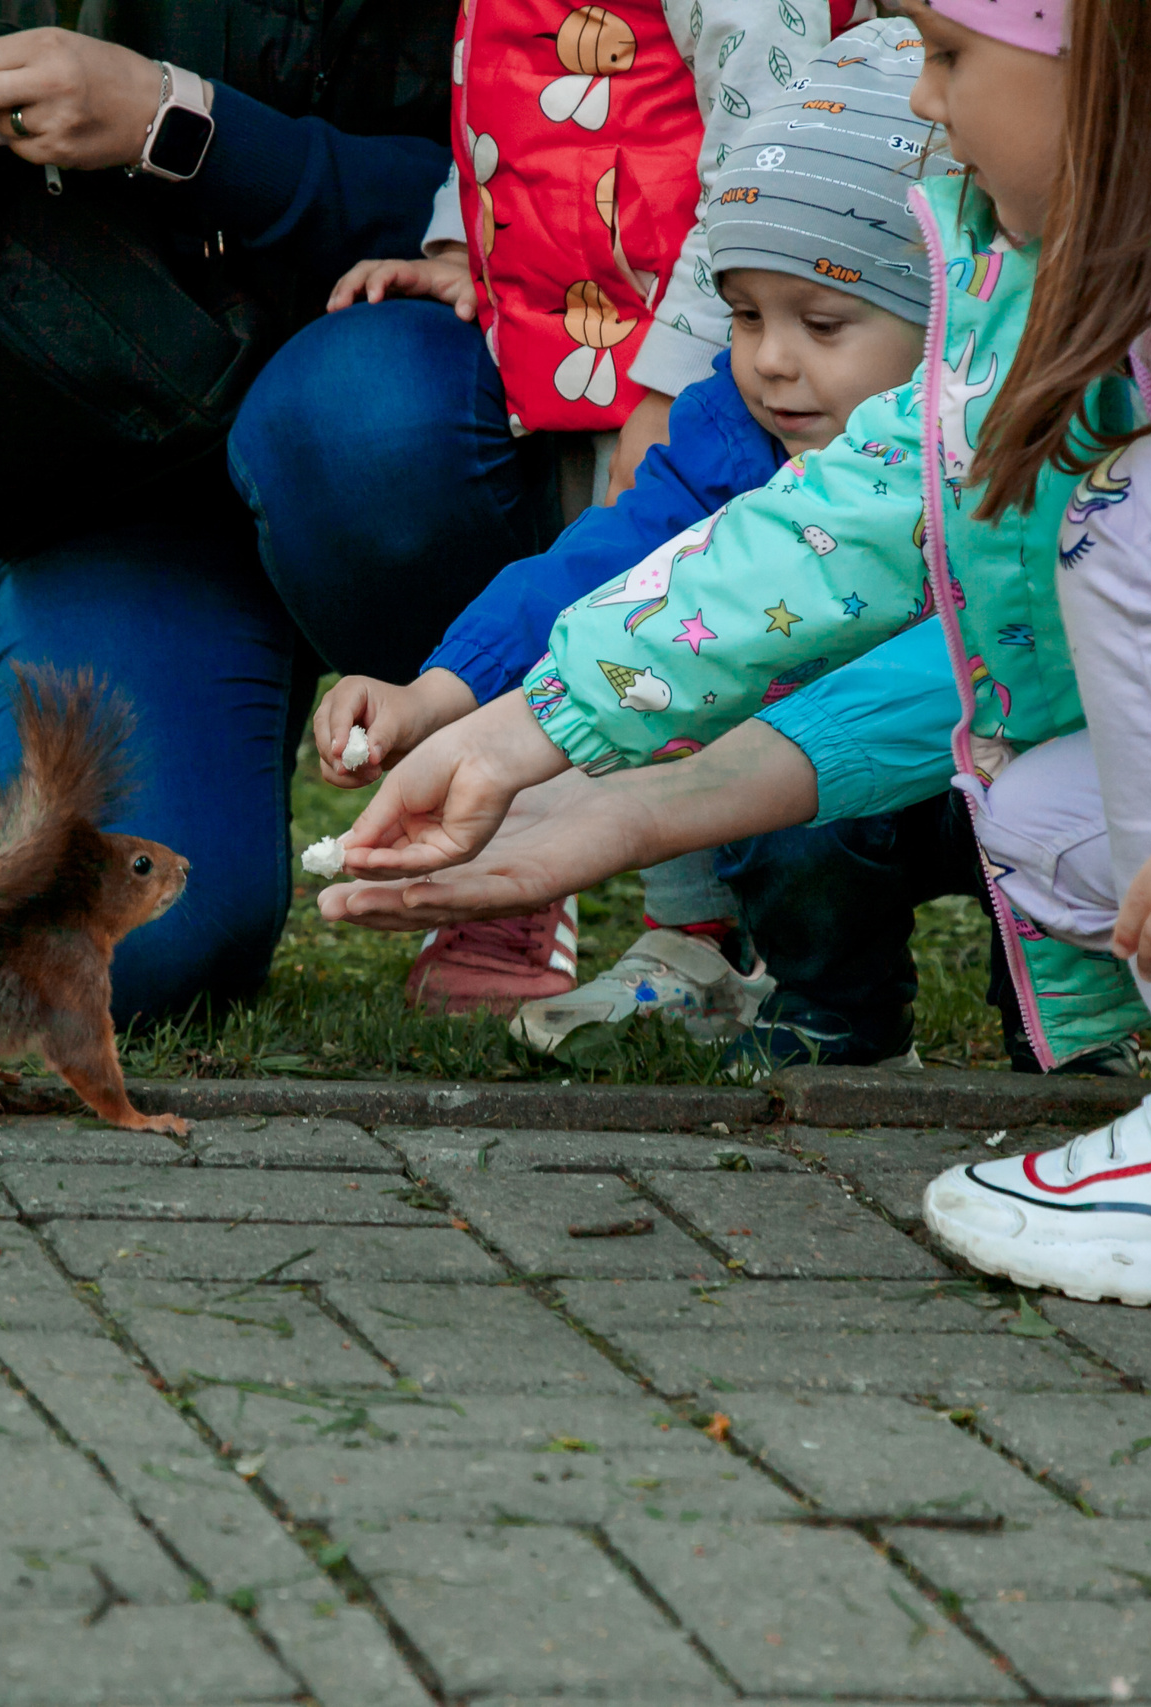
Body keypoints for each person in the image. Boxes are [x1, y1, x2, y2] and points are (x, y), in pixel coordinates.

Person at [325, 0, 1151, 1316]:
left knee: (1144, 511)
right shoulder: (1127, 241)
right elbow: (890, 497)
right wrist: (532, 727)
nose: (928, 102)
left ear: (1113, 59)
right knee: (1062, 825)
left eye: (949, 56)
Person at [309, 23, 1065, 1074]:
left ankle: (1062, 1031)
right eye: (745, 315)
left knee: (1053, 819)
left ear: (949, 307)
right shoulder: (732, 432)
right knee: (785, 814)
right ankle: (830, 1004)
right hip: (805, 789)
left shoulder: (1031, 427)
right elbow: (603, 563)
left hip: (1003, 767)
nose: (769, 363)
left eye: (824, 321)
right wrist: (439, 695)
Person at [222, 0, 852, 1013]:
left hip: (705, 361)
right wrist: (456, 245)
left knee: (701, 622)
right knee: (612, 590)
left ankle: (744, 945)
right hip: (555, 348)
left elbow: (770, 158)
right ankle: (680, 934)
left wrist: (680, 376)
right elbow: (510, 113)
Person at [0, 0, 454, 1025]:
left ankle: (493, 771)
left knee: (362, 419)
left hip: (396, 401)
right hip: (118, 451)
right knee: (125, 956)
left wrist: (178, 122)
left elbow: (551, 202)